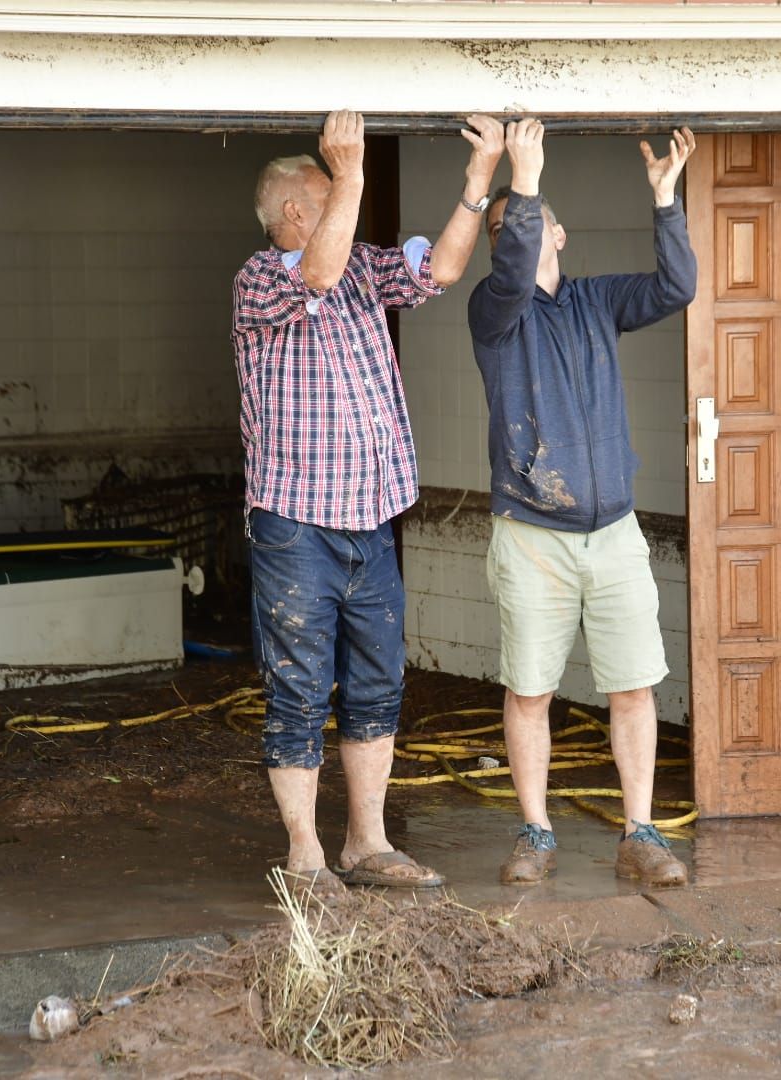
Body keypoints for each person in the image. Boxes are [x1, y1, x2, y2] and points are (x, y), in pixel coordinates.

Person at [233, 110, 505, 896]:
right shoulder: (261, 278)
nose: (348, 206)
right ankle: (306, 856)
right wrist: (348, 170)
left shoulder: (360, 267)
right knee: (298, 686)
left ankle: (366, 844)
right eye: (332, 196)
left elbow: (441, 270)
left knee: (379, 683)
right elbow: (312, 276)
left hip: (372, 518)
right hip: (296, 523)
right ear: (296, 213)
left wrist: (477, 181)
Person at [468, 119, 698, 887]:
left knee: (633, 687)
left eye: (530, 223)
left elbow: (676, 287)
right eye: (504, 230)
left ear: (559, 234)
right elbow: (507, 271)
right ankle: (535, 834)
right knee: (529, 690)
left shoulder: (598, 302)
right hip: (533, 534)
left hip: (615, 532)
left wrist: (665, 202)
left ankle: (639, 833)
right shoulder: (494, 316)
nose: (518, 235)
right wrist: (521, 183)